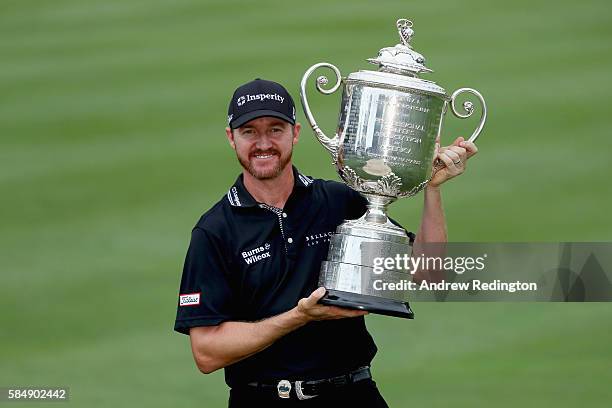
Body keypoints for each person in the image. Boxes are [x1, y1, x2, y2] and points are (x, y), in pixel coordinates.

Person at [174, 78, 478, 407]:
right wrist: (300, 316)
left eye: (275, 129)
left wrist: (432, 190)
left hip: (353, 393)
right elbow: (206, 353)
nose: (264, 143)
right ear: (232, 138)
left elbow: (429, 273)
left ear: (296, 133)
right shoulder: (215, 230)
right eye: (249, 132)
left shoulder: (336, 201)